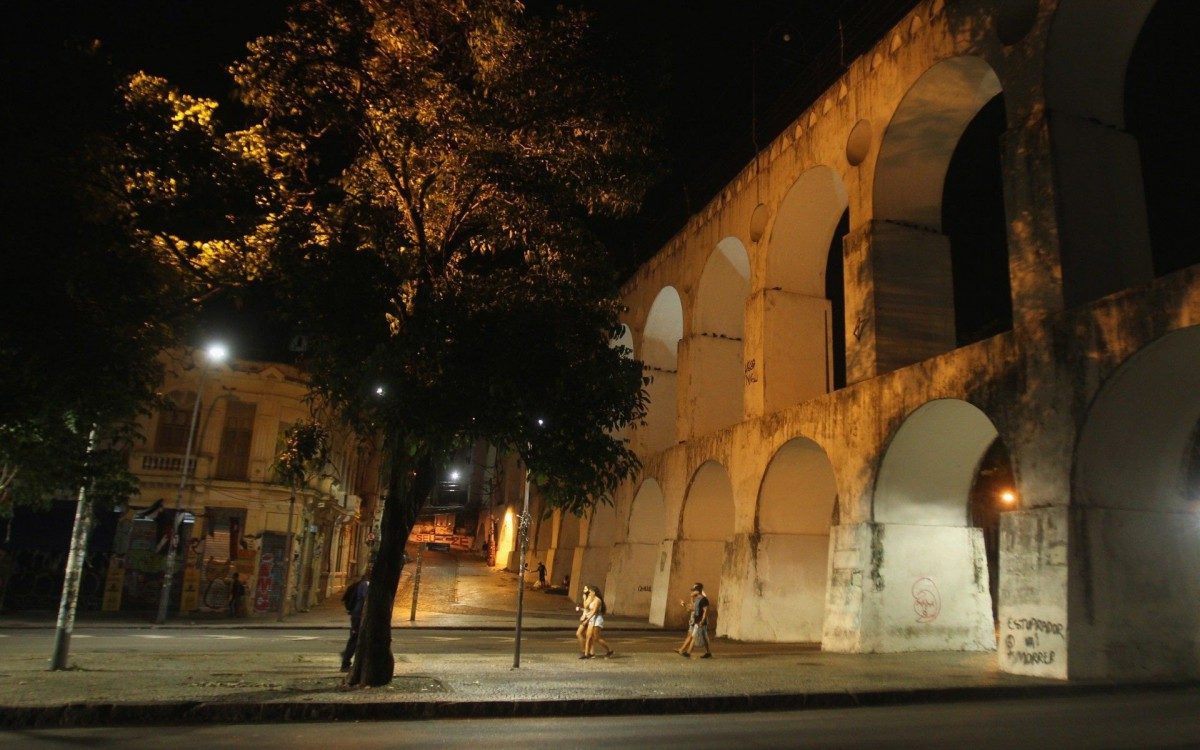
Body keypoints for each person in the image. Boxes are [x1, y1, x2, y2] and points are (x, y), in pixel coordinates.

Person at [340, 570, 370, 672]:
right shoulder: (365, 584)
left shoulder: (361, 583)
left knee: (357, 638)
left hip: (357, 614)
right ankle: (346, 662)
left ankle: (348, 659)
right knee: (355, 639)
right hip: (359, 615)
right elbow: (366, 598)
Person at [682, 582, 712, 659]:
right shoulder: (697, 599)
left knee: (694, 636)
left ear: (698, 591)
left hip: (701, 622)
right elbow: (693, 609)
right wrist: (687, 602)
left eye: (694, 590)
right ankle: (708, 652)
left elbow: (706, 611)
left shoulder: (704, 599)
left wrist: (702, 621)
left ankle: (688, 652)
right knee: (704, 637)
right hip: (697, 620)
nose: (692, 591)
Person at [584, 586, 614, 658]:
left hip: (597, 620)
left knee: (596, 637)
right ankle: (587, 654)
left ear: (594, 592)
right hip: (592, 619)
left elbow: (594, 611)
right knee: (589, 636)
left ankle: (609, 650)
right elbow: (587, 607)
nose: (589, 593)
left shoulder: (598, 600)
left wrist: (586, 620)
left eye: (590, 592)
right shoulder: (592, 598)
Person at [676, 589, 699, 656]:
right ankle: (682, 649)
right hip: (693, 621)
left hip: (695, 622)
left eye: (692, 595)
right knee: (690, 636)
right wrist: (685, 605)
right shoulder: (694, 602)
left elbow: (692, 608)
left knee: (692, 637)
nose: (691, 595)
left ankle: (686, 651)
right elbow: (689, 609)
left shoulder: (698, 602)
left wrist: (684, 604)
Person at [575, 585, 593, 656]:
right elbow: (586, 609)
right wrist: (580, 609)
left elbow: (587, 607)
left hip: (587, 619)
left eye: (585, 588)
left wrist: (584, 599)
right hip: (585, 617)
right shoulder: (588, 597)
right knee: (587, 636)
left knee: (578, 633)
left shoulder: (589, 598)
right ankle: (589, 651)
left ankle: (584, 650)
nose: (584, 589)